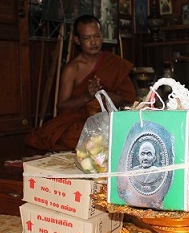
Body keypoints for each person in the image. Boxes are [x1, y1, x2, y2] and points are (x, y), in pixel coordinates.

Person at [25, 15, 137, 151]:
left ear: (101, 35)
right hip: (82, 120)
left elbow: (129, 100)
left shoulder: (114, 63)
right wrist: (86, 96)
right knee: (75, 136)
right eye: (87, 38)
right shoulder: (72, 69)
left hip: (110, 119)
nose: (94, 42)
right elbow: (62, 106)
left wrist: (103, 96)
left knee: (126, 132)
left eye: (96, 36)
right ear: (77, 40)